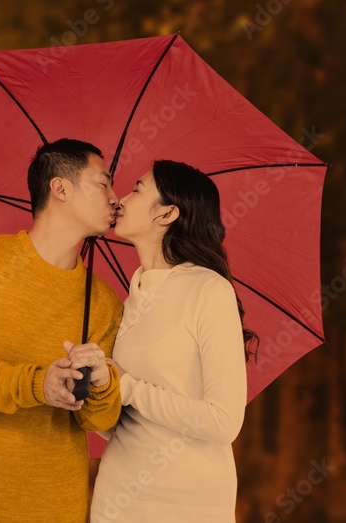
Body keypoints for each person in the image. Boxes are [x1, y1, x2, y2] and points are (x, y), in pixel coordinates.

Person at [0, 138, 123, 522]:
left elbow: (99, 421)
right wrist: (38, 385)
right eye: (103, 183)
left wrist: (99, 384)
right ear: (60, 187)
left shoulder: (102, 300)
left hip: (57, 504)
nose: (116, 198)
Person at [90, 160, 254, 522]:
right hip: (118, 499)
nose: (121, 200)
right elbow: (123, 424)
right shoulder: (130, 299)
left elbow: (224, 421)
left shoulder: (207, 290)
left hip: (188, 503)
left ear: (167, 213)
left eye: (136, 189)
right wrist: (94, 388)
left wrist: (127, 386)